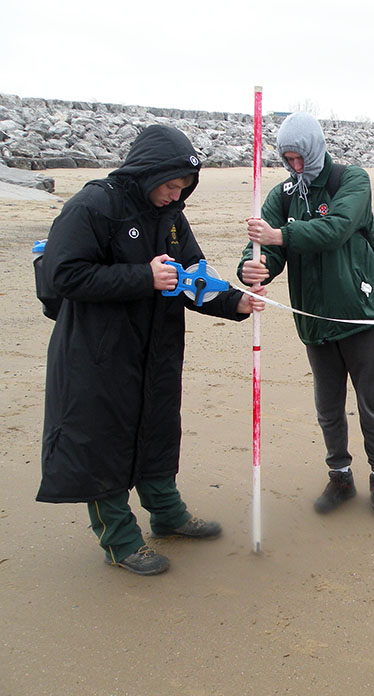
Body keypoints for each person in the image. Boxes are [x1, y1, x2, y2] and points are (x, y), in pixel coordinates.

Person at [35, 124, 266, 576]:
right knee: (103, 439)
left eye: (183, 188)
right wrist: (143, 276)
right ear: (148, 172)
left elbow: (192, 276)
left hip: (157, 348)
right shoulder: (93, 205)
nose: (174, 195)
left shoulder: (173, 217)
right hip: (97, 352)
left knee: (158, 427)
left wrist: (234, 301)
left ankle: (166, 512)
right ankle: (119, 540)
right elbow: (65, 275)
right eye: (169, 185)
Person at [238, 112, 374, 519]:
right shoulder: (282, 195)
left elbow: (337, 228)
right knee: (328, 406)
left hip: (361, 314)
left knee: (369, 404)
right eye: (287, 159)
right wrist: (253, 266)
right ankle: (340, 476)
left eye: (299, 157)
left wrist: (279, 236)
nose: (294, 166)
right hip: (313, 319)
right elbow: (266, 249)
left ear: (314, 150)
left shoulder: (352, 180)